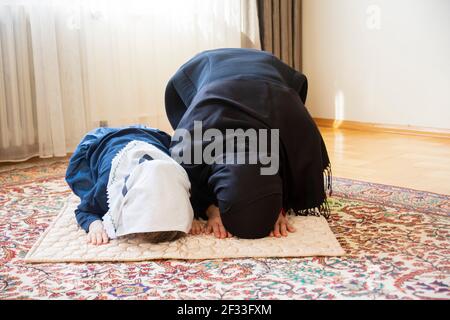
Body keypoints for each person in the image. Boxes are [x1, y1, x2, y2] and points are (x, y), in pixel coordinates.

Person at [165, 48, 332, 240]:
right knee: (191, 169)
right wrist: (208, 207)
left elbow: (302, 170)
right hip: (206, 69)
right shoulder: (191, 139)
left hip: (271, 80)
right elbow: (182, 183)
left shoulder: (298, 126)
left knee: (279, 154)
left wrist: (275, 204)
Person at [65, 125, 200, 246]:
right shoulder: (109, 185)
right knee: (84, 183)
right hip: (100, 141)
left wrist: (188, 215)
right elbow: (84, 210)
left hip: (150, 134)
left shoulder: (179, 177)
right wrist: (95, 225)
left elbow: (192, 198)